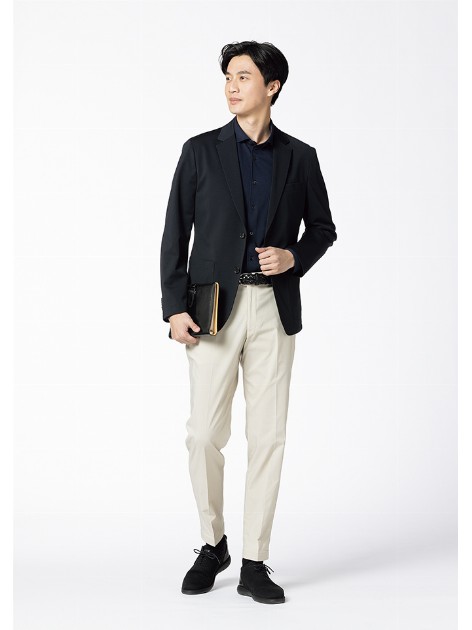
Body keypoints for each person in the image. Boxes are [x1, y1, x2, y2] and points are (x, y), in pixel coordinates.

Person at [160, 40, 337, 605]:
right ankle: (213, 544)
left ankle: (255, 560)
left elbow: (323, 228)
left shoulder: (300, 157)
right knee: (203, 435)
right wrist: (173, 306)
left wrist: (294, 257)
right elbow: (174, 230)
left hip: (273, 310)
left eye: (243, 76)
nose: (232, 86)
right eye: (228, 77)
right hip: (211, 309)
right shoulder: (200, 151)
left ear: (272, 86)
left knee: (268, 437)